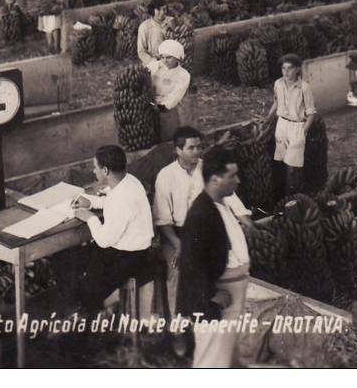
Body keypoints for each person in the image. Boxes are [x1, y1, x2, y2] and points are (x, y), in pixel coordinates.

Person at [153, 127, 253, 336]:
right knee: (178, 273)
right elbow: (162, 220)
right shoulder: (166, 176)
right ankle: (179, 331)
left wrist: (247, 222)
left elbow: (231, 198)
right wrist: (179, 244)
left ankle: (210, 319)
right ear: (178, 150)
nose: (197, 152)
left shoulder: (205, 168)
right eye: (191, 147)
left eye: (199, 146)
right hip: (176, 235)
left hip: (207, 230)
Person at [177, 147, 251, 368]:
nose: (238, 181)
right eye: (232, 176)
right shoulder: (201, 214)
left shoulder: (220, 204)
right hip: (215, 301)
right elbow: (190, 263)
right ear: (215, 179)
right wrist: (210, 294)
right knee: (212, 362)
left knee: (226, 358)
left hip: (232, 293)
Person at [71, 146, 154, 317]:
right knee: (78, 262)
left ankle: (90, 314)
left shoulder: (121, 198)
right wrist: (91, 202)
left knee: (75, 268)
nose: (94, 171)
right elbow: (111, 201)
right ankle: (96, 306)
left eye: (95, 167)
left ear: (106, 170)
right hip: (135, 249)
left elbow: (104, 240)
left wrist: (89, 218)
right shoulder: (129, 180)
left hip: (130, 256)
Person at [265, 54, 317, 199]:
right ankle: (283, 198)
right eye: (283, 68)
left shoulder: (304, 88)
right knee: (281, 163)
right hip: (282, 125)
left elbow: (311, 113)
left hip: (297, 127)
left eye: (290, 68)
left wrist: (303, 132)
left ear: (297, 70)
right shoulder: (278, 84)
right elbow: (276, 102)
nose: (286, 72)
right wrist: (268, 118)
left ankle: (295, 198)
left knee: (293, 167)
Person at [149, 40, 192, 142]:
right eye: (162, 57)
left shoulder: (183, 75)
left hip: (167, 108)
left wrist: (162, 106)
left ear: (177, 58)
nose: (165, 61)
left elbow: (175, 96)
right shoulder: (154, 66)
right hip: (149, 103)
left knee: (167, 134)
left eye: (169, 57)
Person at [137, 0, 168, 66]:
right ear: (152, 10)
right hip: (152, 62)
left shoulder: (171, 21)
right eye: (158, 10)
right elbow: (141, 51)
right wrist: (153, 62)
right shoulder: (144, 26)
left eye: (164, 9)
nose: (162, 12)